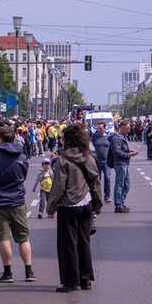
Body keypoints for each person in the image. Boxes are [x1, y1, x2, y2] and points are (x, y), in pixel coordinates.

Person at [47, 124, 100, 292]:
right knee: (84, 242)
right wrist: (97, 204)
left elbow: (58, 187)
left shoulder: (62, 160)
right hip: (86, 203)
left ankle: (71, 281)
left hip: (68, 205)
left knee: (68, 244)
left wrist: (51, 207)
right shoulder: (88, 157)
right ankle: (85, 279)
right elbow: (96, 181)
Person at [0, 123, 34, 283]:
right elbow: (23, 175)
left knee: (4, 238)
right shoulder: (21, 156)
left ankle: (8, 272)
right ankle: (29, 271)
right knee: (23, 238)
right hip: (17, 200)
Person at [108, 120, 137, 213]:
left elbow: (122, 149)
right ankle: (118, 205)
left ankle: (121, 202)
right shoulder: (116, 138)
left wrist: (129, 150)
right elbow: (117, 152)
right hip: (120, 163)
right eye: (127, 128)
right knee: (120, 185)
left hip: (124, 163)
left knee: (127, 185)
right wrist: (129, 155)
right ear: (122, 127)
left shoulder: (123, 137)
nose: (129, 130)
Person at [90, 122, 111, 203]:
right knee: (97, 180)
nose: (98, 130)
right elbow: (91, 145)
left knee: (107, 178)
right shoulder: (95, 136)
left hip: (106, 161)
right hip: (97, 161)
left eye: (100, 128)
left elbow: (112, 147)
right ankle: (97, 196)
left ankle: (107, 196)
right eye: (98, 128)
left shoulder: (109, 136)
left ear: (104, 128)